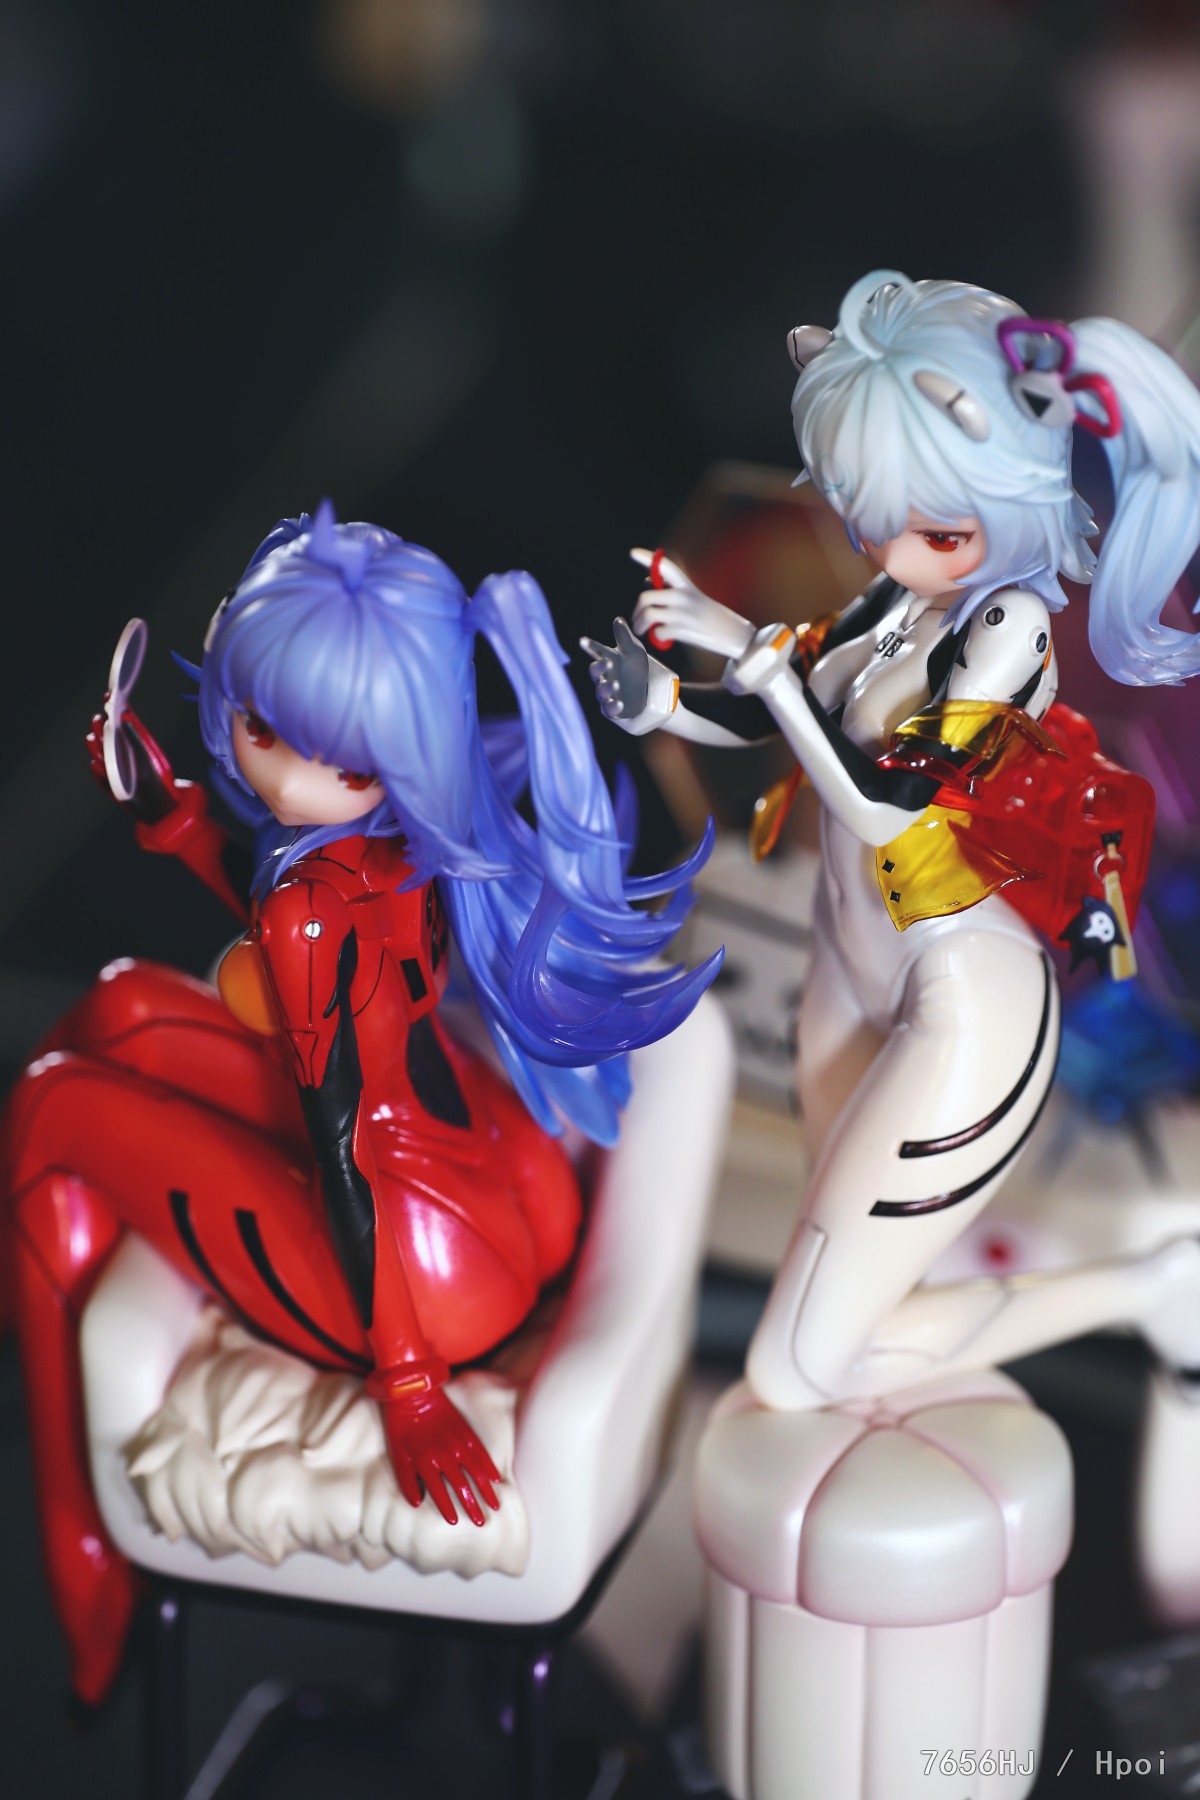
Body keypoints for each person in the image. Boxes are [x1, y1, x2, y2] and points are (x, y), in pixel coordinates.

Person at [4, 503, 718, 1704]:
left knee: (50, 1107)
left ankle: (76, 1526)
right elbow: (317, 936)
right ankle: (49, 1323)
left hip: (416, 1280)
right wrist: (184, 827)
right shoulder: (419, 831)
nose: (285, 774)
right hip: (508, 1201)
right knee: (121, 1004)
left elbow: (347, 1142)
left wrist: (411, 1386)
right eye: (263, 727)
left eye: (335, 759)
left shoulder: (304, 908)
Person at [585, 270, 1200, 1421]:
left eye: (933, 527)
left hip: (963, 996)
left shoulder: (1008, 627)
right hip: (847, 961)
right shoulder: (891, 603)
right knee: (845, 1292)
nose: (888, 545)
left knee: (795, 1368)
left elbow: (887, 804)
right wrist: (669, 701)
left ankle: (1154, 1291)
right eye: (865, 512)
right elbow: (782, 722)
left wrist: (768, 674)